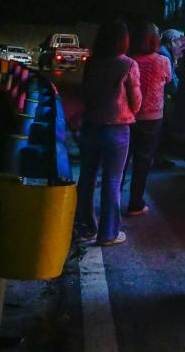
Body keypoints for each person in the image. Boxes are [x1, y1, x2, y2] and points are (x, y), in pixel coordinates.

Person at [75, 20, 142, 247]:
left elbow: (85, 93)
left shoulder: (92, 63)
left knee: (87, 178)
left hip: (91, 125)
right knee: (112, 180)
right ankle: (108, 233)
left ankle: (85, 227)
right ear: (124, 40)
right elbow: (137, 103)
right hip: (117, 129)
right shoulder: (128, 65)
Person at [124, 21, 172, 216]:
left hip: (127, 115)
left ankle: (112, 198)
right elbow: (169, 82)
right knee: (143, 161)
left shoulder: (128, 60)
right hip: (153, 118)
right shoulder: (163, 61)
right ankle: (135, 203)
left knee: (123, 158)